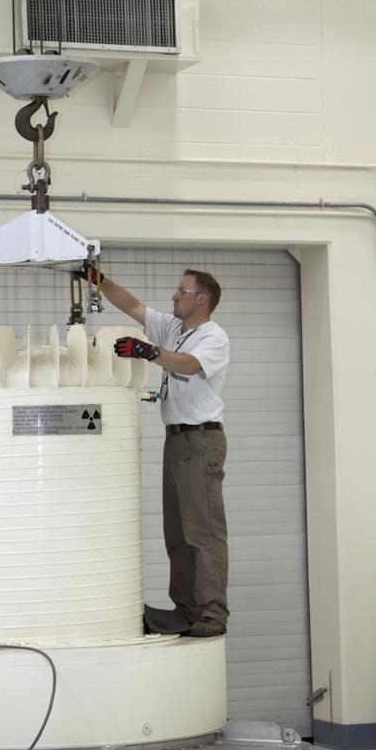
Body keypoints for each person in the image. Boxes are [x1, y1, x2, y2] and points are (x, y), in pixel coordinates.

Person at [80, 264, 230, 638]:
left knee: (203, 533)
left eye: (181, 291)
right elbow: (132, 306)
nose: (174, 296)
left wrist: (148, 352)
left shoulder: (212, 337)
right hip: (176, 439)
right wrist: (96, 279)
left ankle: (213, 612)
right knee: (177, 533)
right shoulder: (175, 328)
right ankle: (186, 608)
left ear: (202, 299)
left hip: (201, 441)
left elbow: (190, 365)